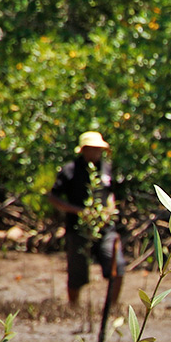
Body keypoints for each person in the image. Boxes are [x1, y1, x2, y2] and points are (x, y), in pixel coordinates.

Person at [45, 131, 123, 311]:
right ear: (84, 150)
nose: (97, 153)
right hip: (77, 228)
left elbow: (111, 193)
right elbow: (53, 197)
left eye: (100, 149)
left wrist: (110, 209)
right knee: (77, 273)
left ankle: (112, 308)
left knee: (116, 265)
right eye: (93, 149)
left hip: (105, 227)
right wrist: (79, 211)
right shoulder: (70, 170)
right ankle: (74, 309)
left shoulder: (106, 168)